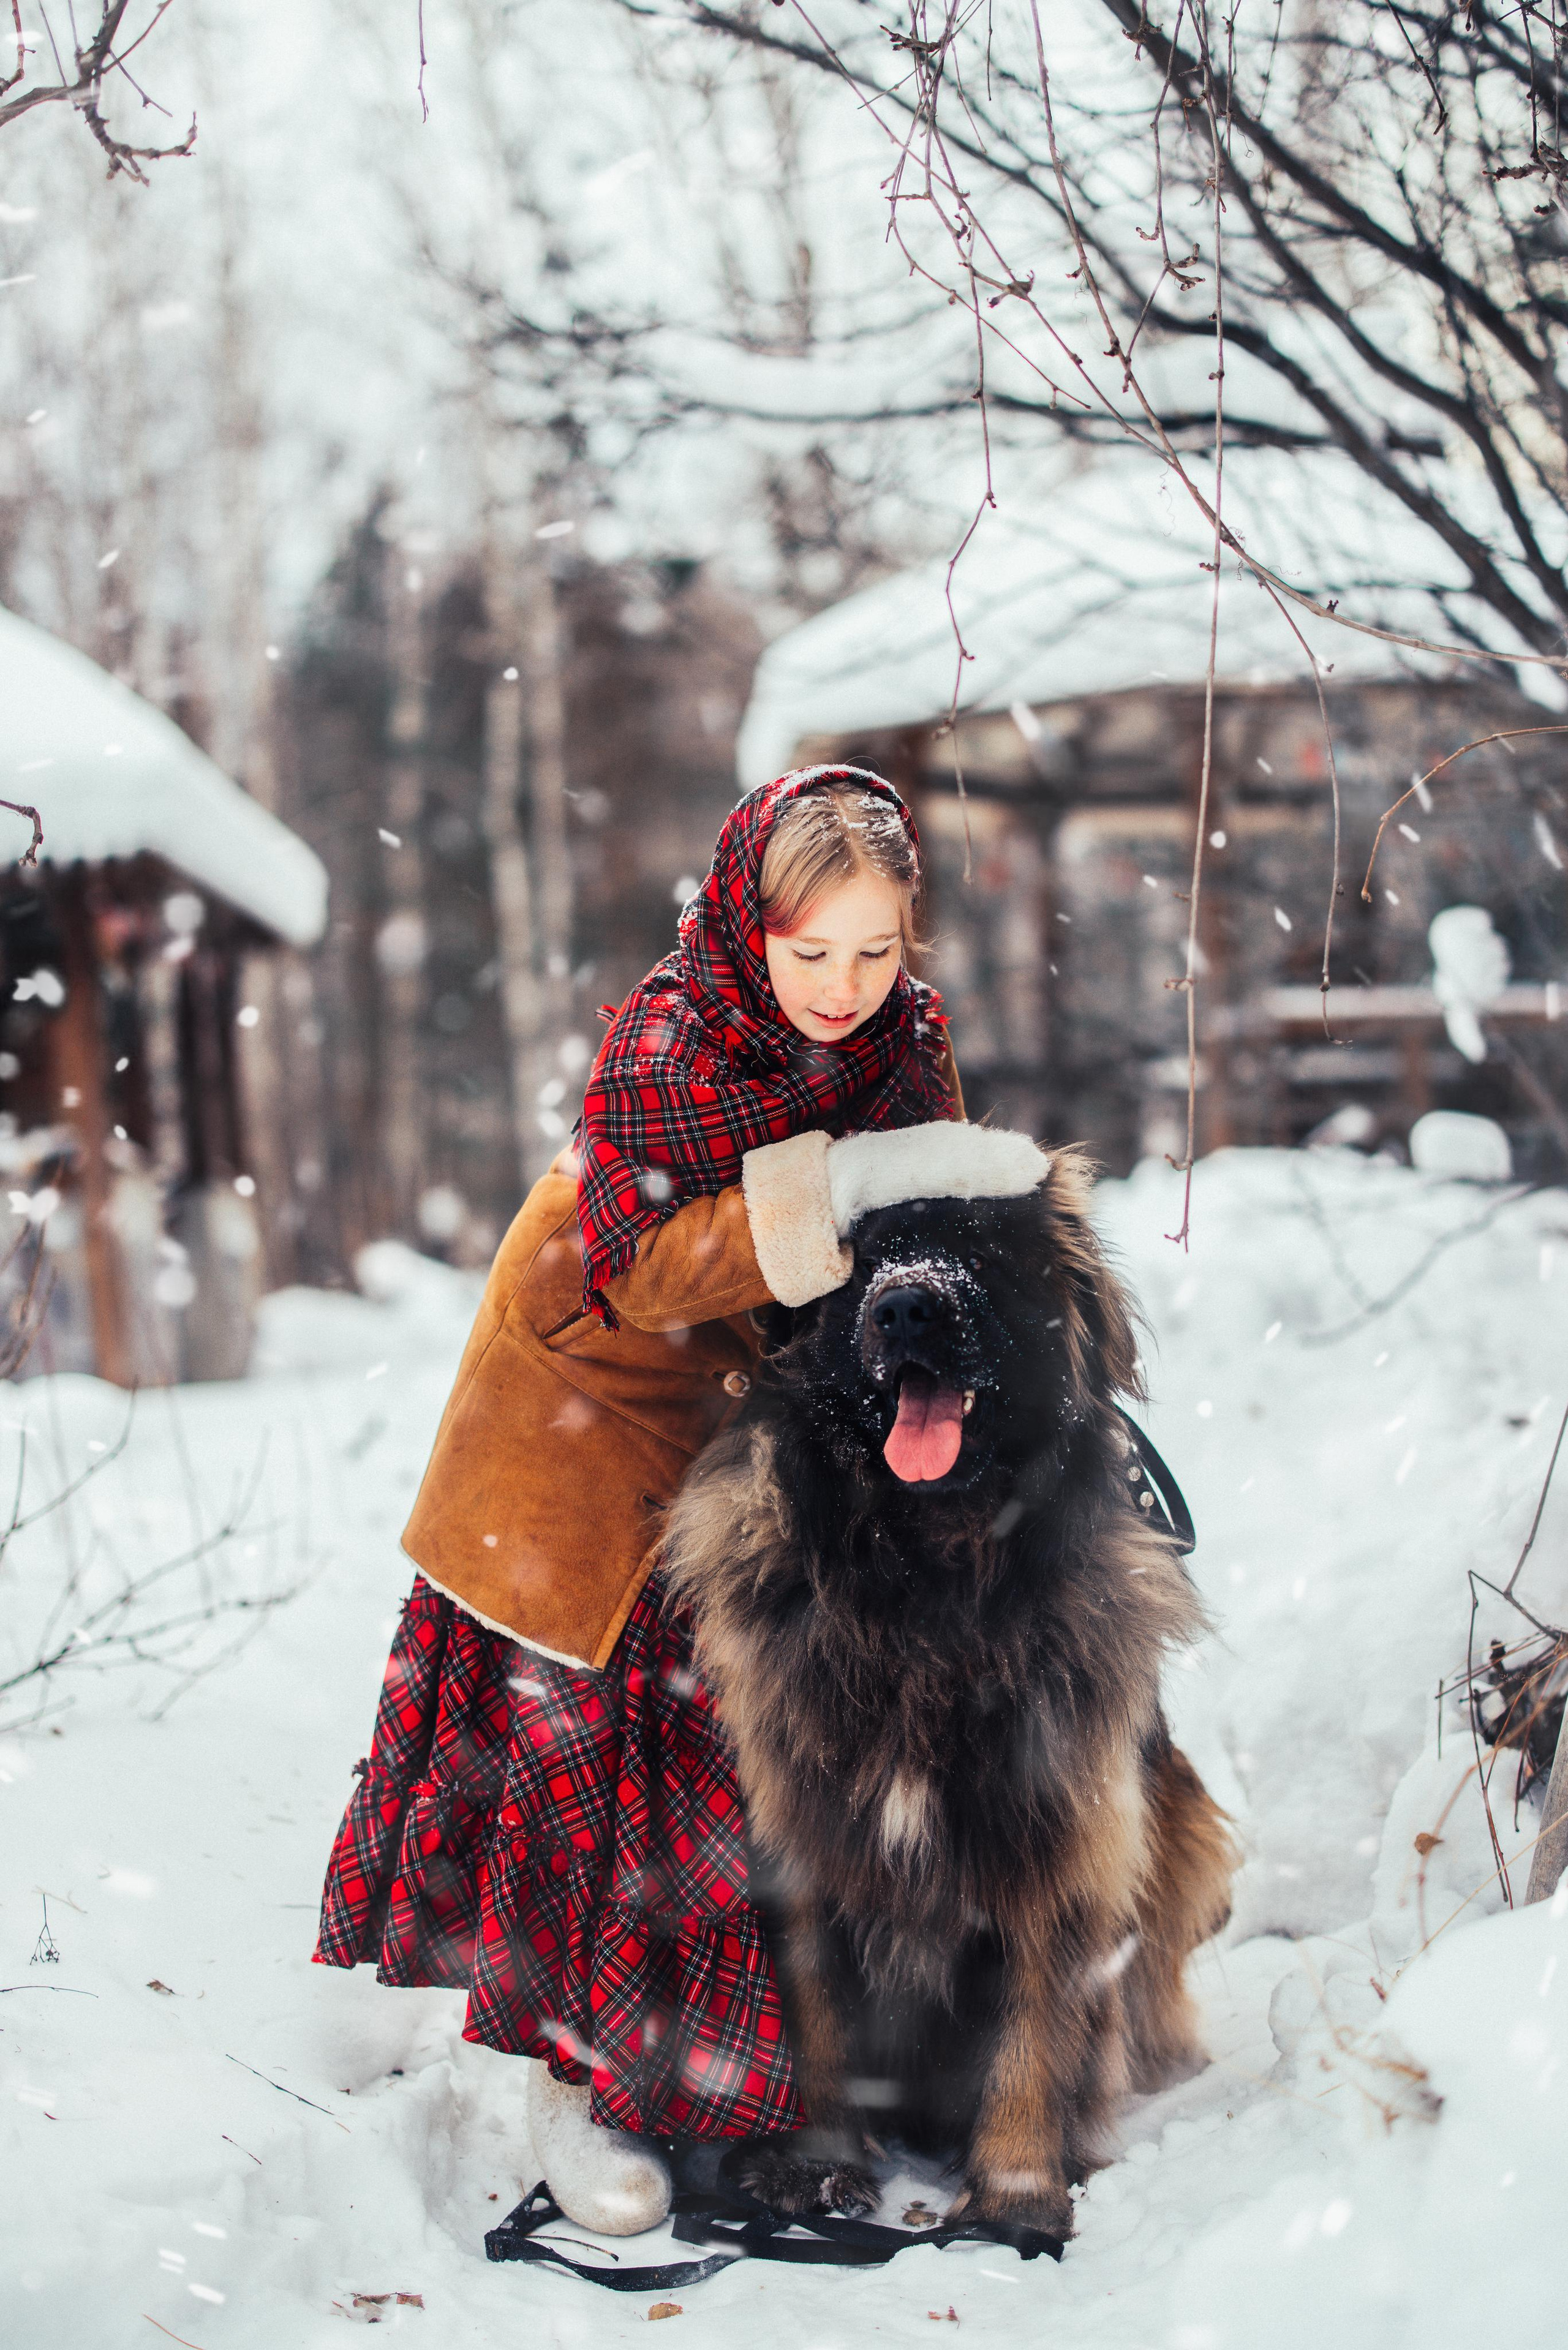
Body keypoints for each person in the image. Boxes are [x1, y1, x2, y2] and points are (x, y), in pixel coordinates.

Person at [314, 766, 964, 2234]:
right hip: (588, 1406)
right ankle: (576, 2084)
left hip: (755, 1436)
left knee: (728, 1776)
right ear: (750, 922)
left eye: (875, 951)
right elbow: (654, 1269)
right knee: (584, 1770)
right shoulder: (667, 1034)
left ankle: (724, 2092)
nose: (844, 989)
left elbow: (922, 1215)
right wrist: (840, 1182)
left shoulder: (901, 1034)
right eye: (811, 954)